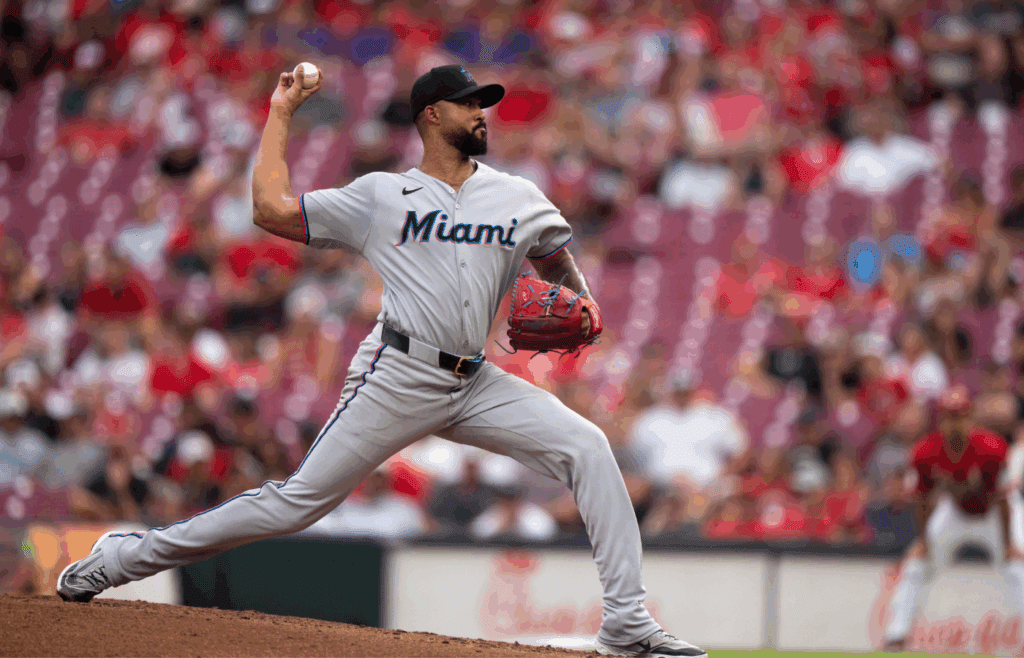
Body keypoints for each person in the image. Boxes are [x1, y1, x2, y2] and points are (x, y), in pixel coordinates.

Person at [56, 65, 706, 657]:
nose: (482, 114)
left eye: (485, 105)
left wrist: (580, 298)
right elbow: (270, 211)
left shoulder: (516, 195)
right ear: (430, 115)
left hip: (474, 379)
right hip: (397, 371)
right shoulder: (381, 197)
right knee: (295, 505)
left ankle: (625, 620)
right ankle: (124, 558)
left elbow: (554, 254)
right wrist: (281, 114)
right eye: (468, 104)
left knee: (588, 447)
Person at [883, 384, 1024, 651]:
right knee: (916, 564)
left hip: (994, 512)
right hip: (956, 510)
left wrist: (1007, 545)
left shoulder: (991, 448)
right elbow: (923, 500)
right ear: (941, 420)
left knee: (1018, 567)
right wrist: (923, 541)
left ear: (970, 417)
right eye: (949, 416)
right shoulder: (926, 451)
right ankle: (896, 636)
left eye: (960, 415)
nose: (955, 423)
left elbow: (1002, 499)